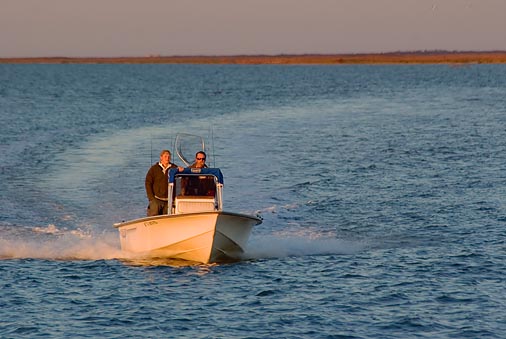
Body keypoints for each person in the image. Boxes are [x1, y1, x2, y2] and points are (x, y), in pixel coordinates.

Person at [145, 150, 182, 216]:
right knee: (153, 218)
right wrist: (151, 198)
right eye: (165, 156)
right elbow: (148, 183)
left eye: (169, 156)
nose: (167, 158)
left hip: (169, 200)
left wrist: (181, 170)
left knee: (167, 219)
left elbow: (181, 181)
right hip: (156, 199)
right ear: (161, 157)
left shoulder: (174, 168)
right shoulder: (154, 169)